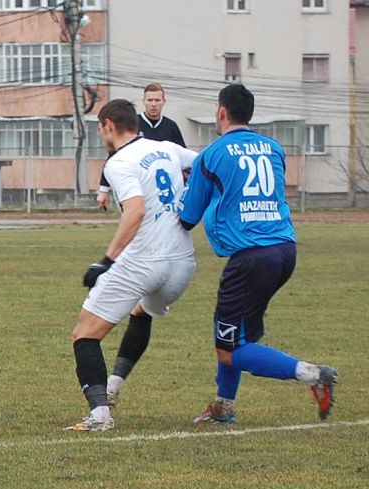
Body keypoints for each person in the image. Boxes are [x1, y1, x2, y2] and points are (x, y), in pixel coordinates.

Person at [178, 84, 337, 424]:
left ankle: (313, 374)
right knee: (236, 335)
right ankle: (223, 408)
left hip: (251, 258)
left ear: (221, 112)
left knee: (228, 349)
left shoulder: (212, 154)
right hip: (284, 250)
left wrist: (191, 187)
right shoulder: (273, 148)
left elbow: (187, 217)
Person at [65, 99, 198, 432]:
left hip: (144, 260)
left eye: (100, 129)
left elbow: (136, 210)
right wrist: (192, 203)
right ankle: (113, 387)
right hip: (182, 263)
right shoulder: (167, 148)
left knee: (84, 333)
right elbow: (209, 166)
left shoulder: (119, 161)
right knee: (142, 311)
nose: (102, 135)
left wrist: (106, 260)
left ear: (109, 125)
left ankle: (99, 415)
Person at [97, 83, 186, 210]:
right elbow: (114, 156)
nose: (153, 104)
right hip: (138, 182)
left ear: (164, 102)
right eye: (150, 100)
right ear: (144, 101)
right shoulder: (133, 124)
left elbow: (183, 159)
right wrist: (103, 189)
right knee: (135, 211)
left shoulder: (171, 126)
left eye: (157, 100)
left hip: (162, 185)